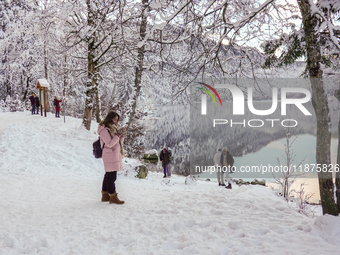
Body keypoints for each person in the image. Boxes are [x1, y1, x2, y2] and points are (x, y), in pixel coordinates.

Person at [98, 111, 126, 204]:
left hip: (114, 155)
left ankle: (105, 195)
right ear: (109, 118)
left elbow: (118, 143)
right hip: (109, 155)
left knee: (108, 176)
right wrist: (118, 135)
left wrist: (122, 135)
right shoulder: (104, 130)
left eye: (117, 120)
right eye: (114, 119)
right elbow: (110, 144)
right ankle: (113, 197)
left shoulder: (112, 129)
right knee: (111, 177)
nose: (115, 121)